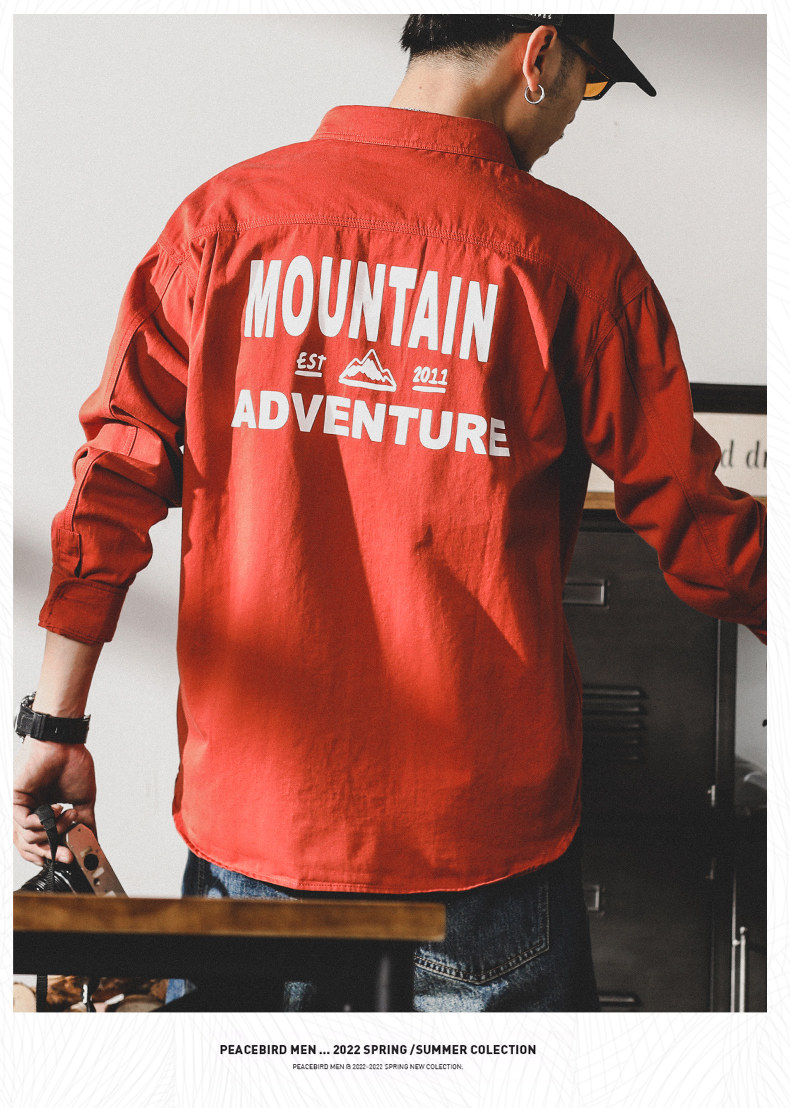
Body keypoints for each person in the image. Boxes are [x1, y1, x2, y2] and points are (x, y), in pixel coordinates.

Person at [13, 15, 766, 1012]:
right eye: (586, 85)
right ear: (538, 55)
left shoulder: (223, 223)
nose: (572, 119)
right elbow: (705, 533)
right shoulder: (576, 262)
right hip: (482, 848)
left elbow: (112, 482)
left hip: (257, 829)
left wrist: (55, 723)